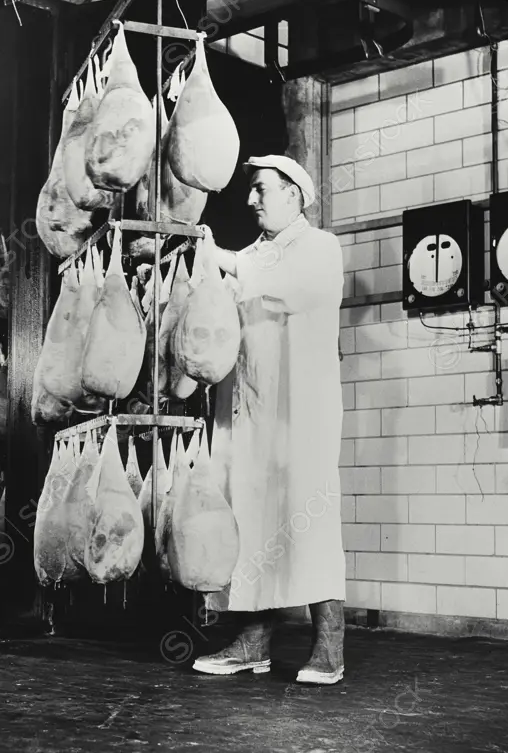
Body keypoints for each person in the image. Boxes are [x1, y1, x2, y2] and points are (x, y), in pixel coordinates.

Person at [191, 154, 347, 686]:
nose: (251, 199)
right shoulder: (253, 256)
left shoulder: (320, 248)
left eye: (261, 189)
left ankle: (330, 645)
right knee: (248, 521)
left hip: (301, 415)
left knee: (311, 520)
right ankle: (252, 641)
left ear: (294, 195)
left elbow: (293, 285)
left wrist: (224, 259)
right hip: (247, 413)